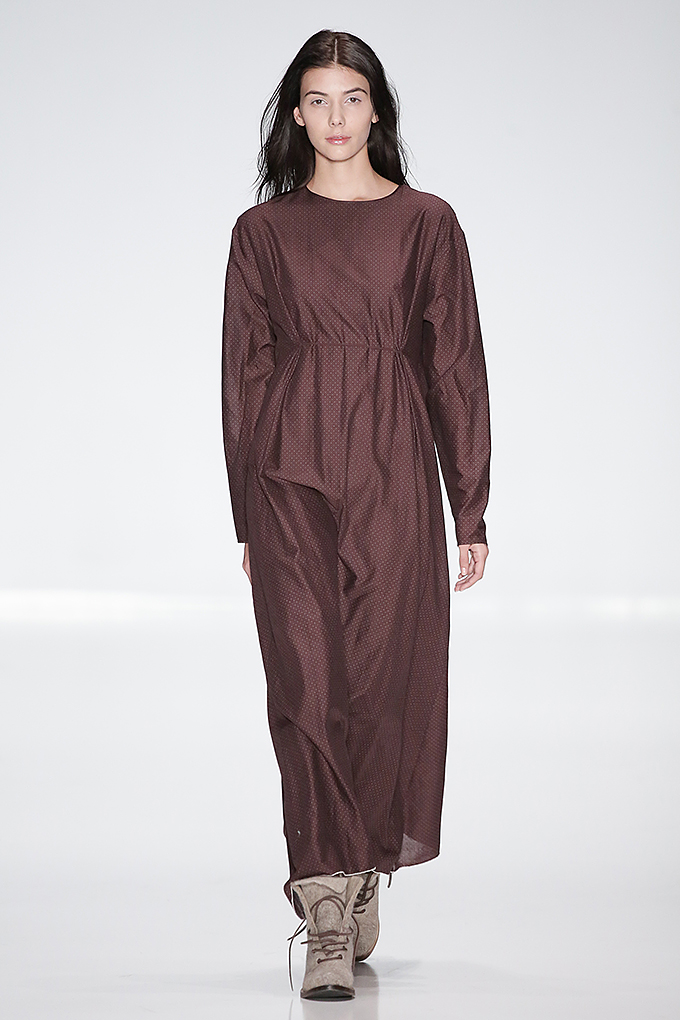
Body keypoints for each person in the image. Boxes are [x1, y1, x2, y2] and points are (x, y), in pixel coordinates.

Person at [221, 28, 491, 1001]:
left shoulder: (425, 223)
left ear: (377, 109)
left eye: (351, 97)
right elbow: (244, 374)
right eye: (316, 99)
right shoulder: (262, 233)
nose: (334, 117)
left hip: (391, 470)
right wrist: (245, 513)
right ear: (295, 116)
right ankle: (325, 905)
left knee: (384, 677)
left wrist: (469, 505)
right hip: (287, 473)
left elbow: (453, 365)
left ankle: (364, 857)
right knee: (304, 684)